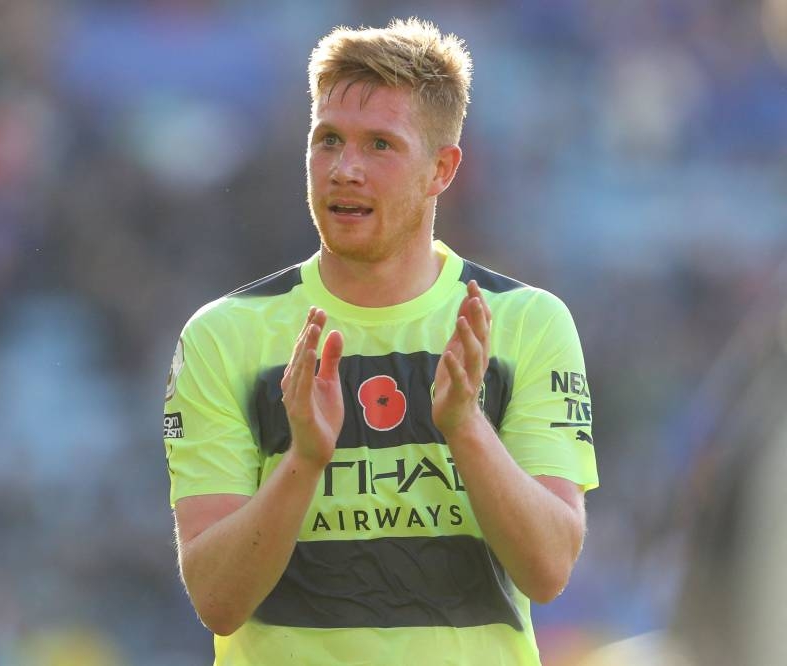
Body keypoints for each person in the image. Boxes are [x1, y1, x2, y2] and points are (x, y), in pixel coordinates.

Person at [163, 17, 598, 665]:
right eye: (328, 140)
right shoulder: (223, 336)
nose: (344, 169)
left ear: (441, 169)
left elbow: (548, 569)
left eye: (380, 146)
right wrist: (305, 461)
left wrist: (464, 426)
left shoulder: (525, 322)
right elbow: (216, 600)